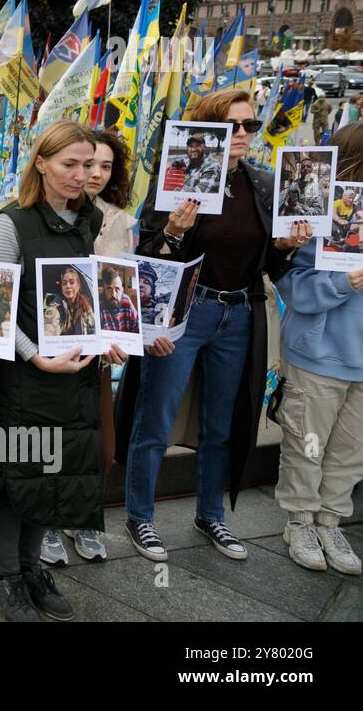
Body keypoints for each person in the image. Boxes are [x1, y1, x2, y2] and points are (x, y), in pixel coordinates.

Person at [116, 89, 310, 564]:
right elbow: (148, 256)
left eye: (250, 124)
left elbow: (267, 261)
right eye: (234, 125)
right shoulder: (179, 178)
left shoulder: (263, 183)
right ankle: (140, 516)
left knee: (221, 423)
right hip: (189, 310)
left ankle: (211, 515)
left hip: (240, 312)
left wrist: (284, 245)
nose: (244, 133)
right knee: (155, 417)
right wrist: (176, 231)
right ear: (208, 131)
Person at [0, 120, 130, 621]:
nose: (82, 174)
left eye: (89, 164)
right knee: (16, 476)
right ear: (41, 163)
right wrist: (34, 356)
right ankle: (7, 577)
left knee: (55, 474)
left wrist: (108, 338)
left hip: (76, 376)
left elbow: (92, 299)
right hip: (25, 379)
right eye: (70, 164)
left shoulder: (88, 221)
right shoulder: (11, 223)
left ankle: (30, 568)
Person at [272, 121, 363, 574]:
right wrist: (343, 283)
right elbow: (292, 281)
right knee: (307, 444)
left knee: (351, 451)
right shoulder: (316, 211)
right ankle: (300, 520)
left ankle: (330, 522)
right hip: (320, 351)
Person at [43, 266, 96, 337]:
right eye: (64, 283)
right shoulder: (56, 307)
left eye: (72, 282)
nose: (68, 286)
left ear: (78, 285)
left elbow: (93, 331)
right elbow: (49, 326)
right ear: (61, 287)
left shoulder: (86, 307)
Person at [100, 268, 140, 333]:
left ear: (122, 290)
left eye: (117, 289)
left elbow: (137, 327)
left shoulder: (126, 301)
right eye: (109, 289)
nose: (113, 294)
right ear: (104, 290)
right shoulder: (98, 305)